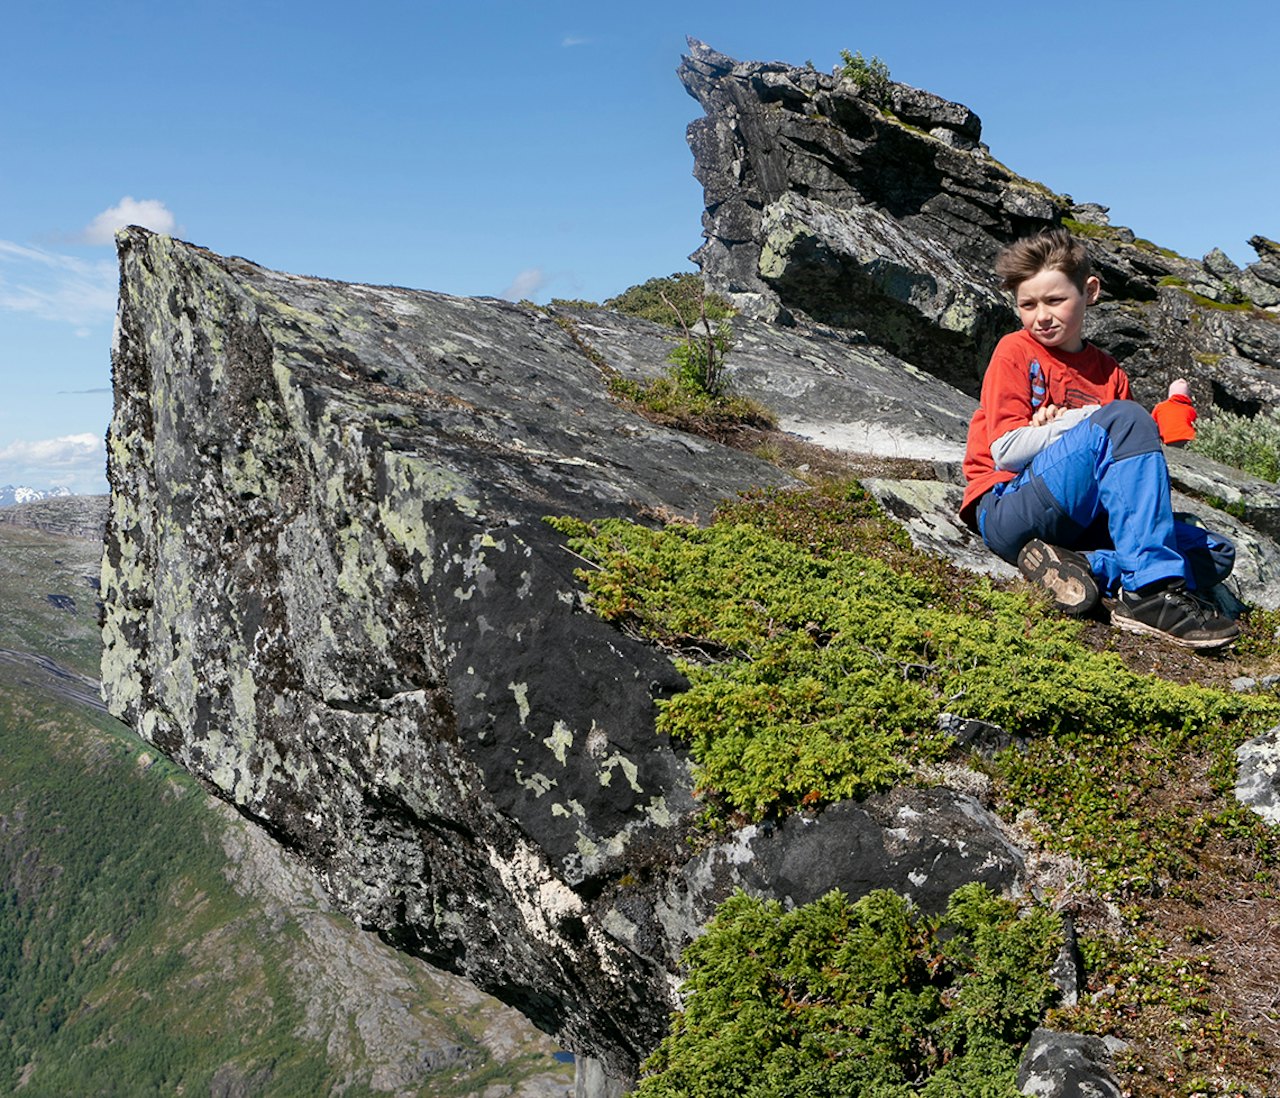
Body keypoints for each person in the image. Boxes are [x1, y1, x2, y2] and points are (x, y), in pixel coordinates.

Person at [958, 228, 1239, 649]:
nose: (1041, 316)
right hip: (1008, 508)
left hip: (1079, 526)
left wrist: (1070, 426)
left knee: (1214, 550)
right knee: (1125, 418)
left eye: (1055, 300)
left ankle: (1077, 566)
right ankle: (1149, 593)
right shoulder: (1015, 351)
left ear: (1089, 291)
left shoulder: (1110, 373)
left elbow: (1121, 476)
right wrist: (1079, 423)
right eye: (1027, 304)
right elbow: (1005, 451)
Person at [1152, 378, 1197, 447]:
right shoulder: (1190, 410)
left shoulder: (1160, 407)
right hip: (1189, 439)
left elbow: (1151, 423)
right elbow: (1195, 425)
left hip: (1169, 439)